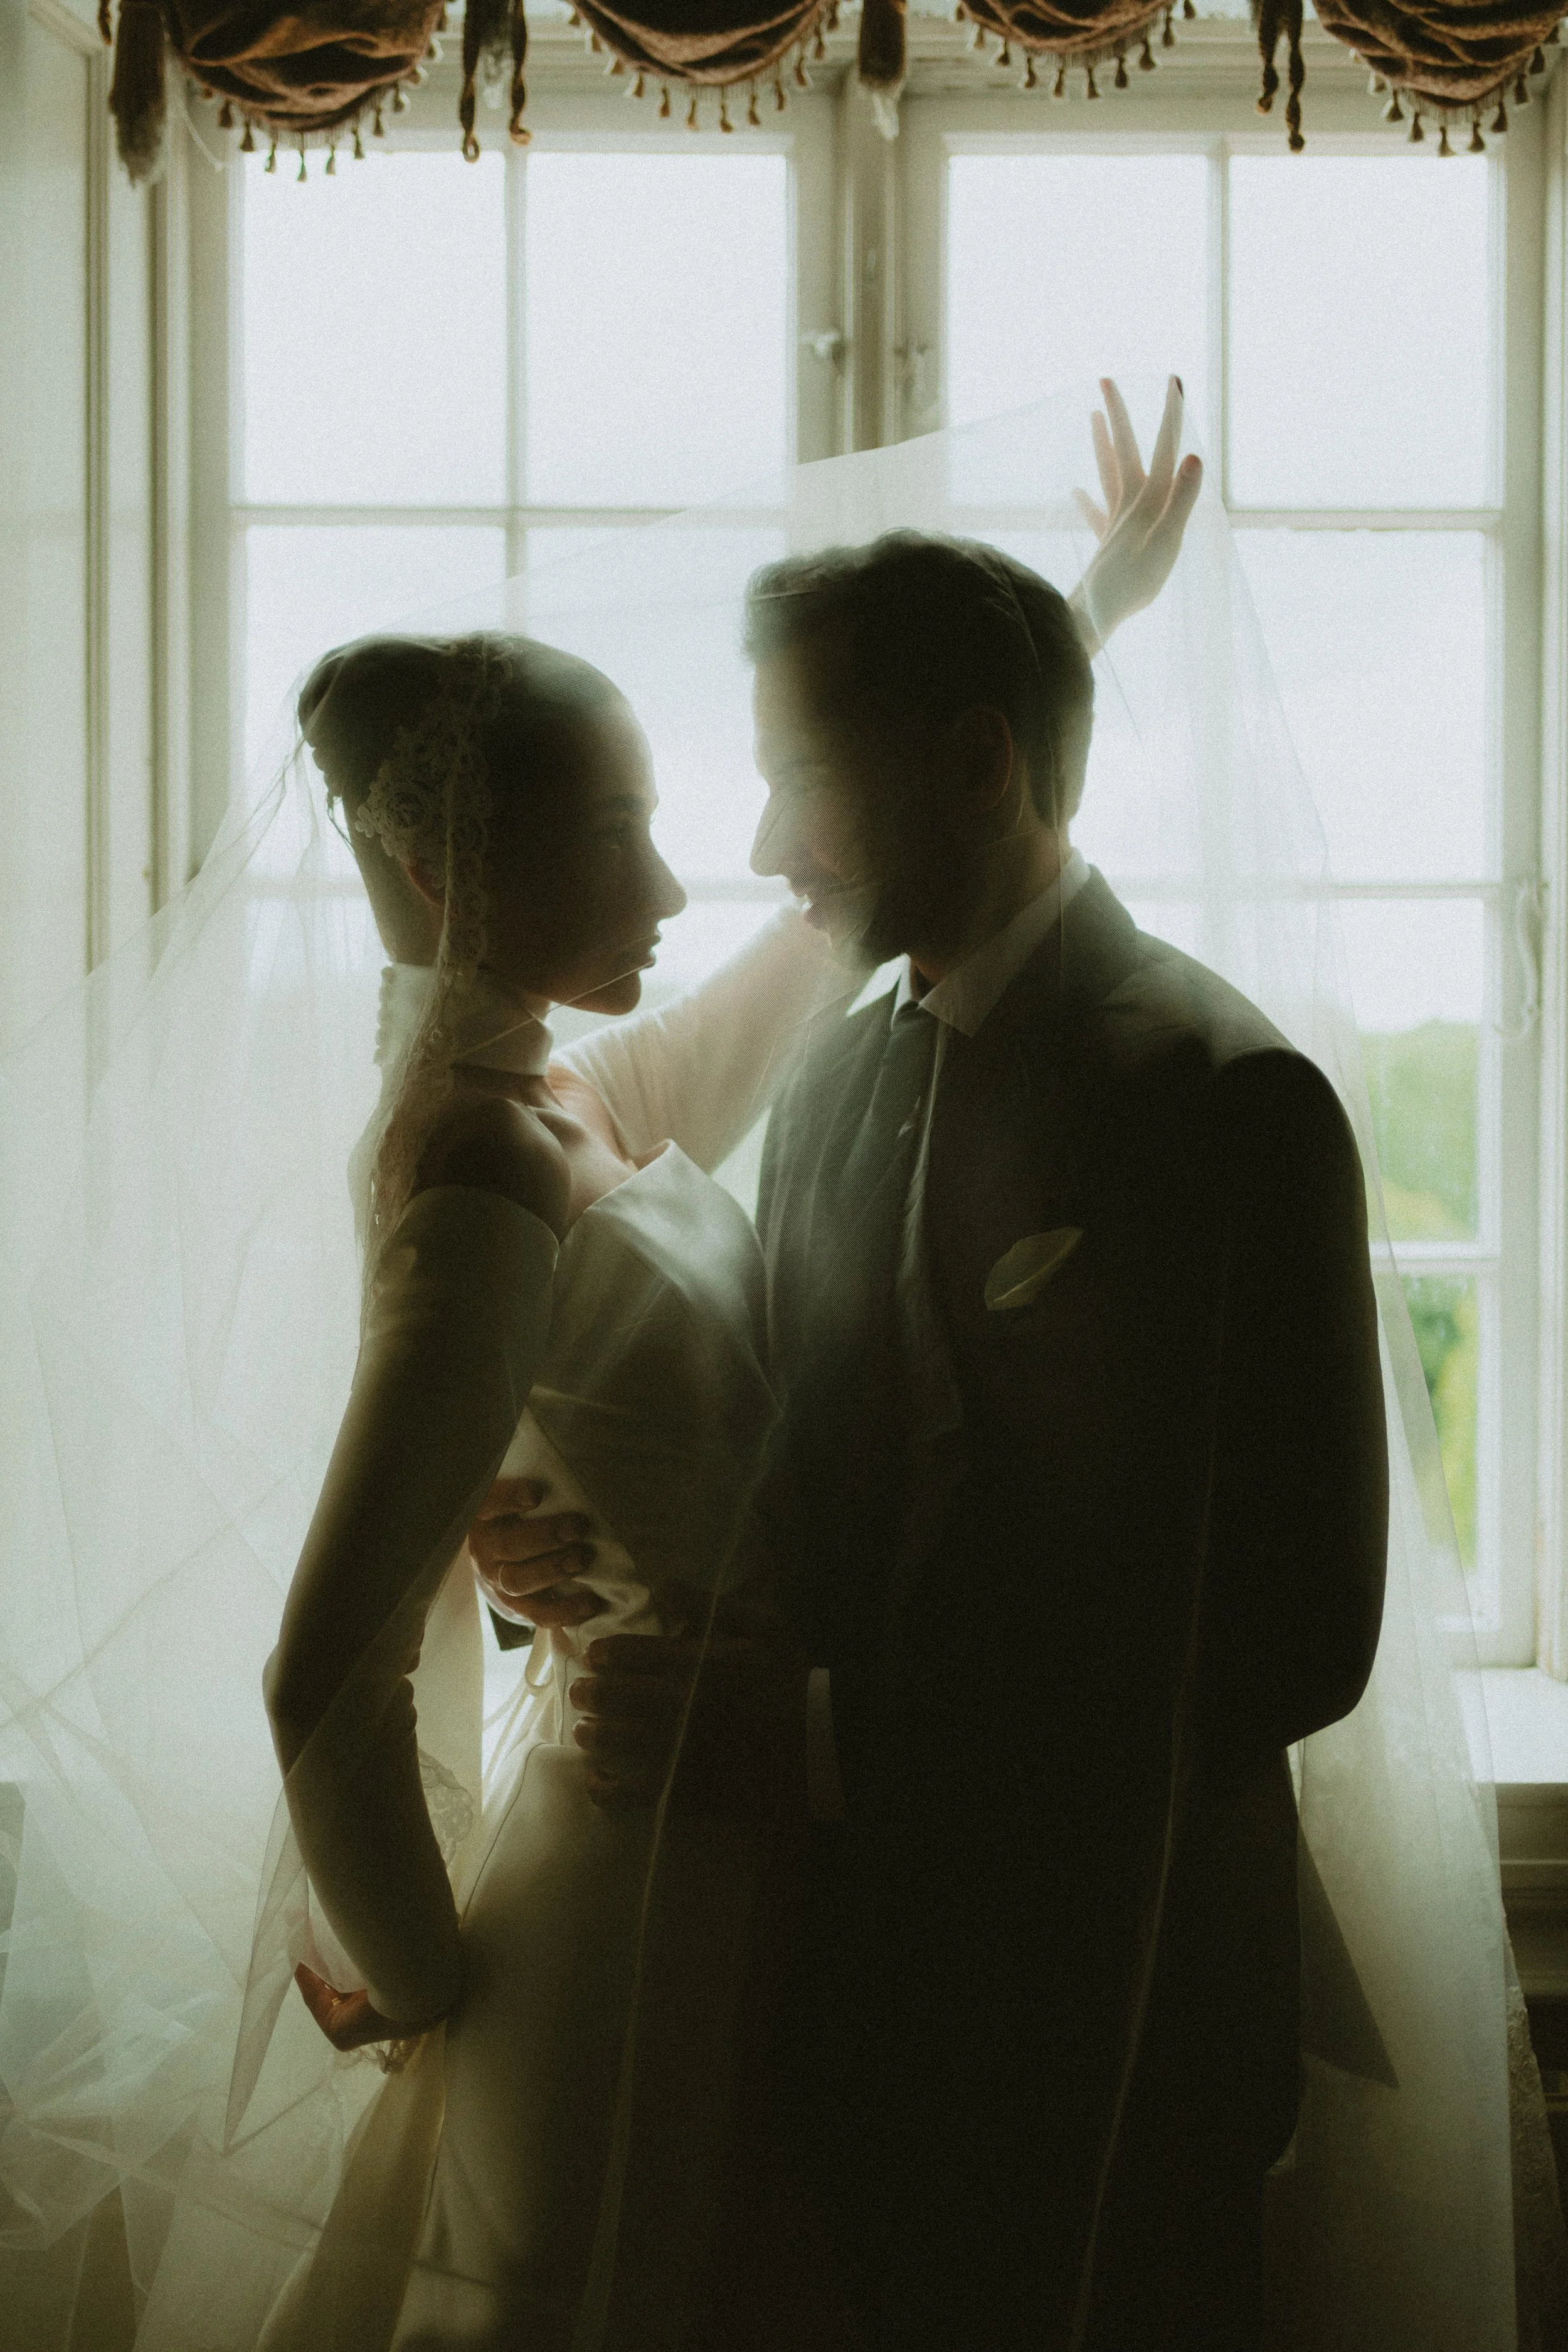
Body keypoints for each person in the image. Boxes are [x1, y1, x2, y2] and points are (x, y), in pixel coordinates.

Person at [260, 391, 1204, 2352]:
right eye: (615, 831)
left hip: (761, 1843)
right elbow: (318, 1674)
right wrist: (431, 1985)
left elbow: (840, 912)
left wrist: (1073, 634)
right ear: (448, 863)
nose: (682, 878)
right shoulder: (473, 1166)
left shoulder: (574, 1098)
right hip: (632, 1892)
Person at [474, 411, 1391, 2348]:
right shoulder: (836, 1074)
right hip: (826, 2021)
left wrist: (812, 1732)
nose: (758, 849)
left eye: (798, 778)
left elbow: (1294, 1637)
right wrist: (556, 1550)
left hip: (1124, 2035)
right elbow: (781, 1464)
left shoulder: (1223, 1103)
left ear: (977, 762)